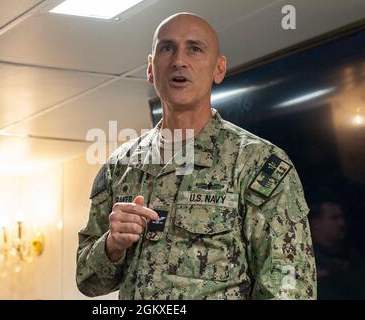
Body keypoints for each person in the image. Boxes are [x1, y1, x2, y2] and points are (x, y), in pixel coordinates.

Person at [76, 12, 316, 299]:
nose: (179, 60)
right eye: (167, 48)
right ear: (151, 69)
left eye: (195, 49)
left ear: (219, 68)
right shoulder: (121, 165)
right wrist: (112, 245)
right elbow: (87, 281)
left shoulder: (258, 163)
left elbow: (289, 286)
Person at [310, 199, 365, 299]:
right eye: (334, 218)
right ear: (316, 223)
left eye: (342, 217)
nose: (342, 223)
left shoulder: (352, 255)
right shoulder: (305, 257)